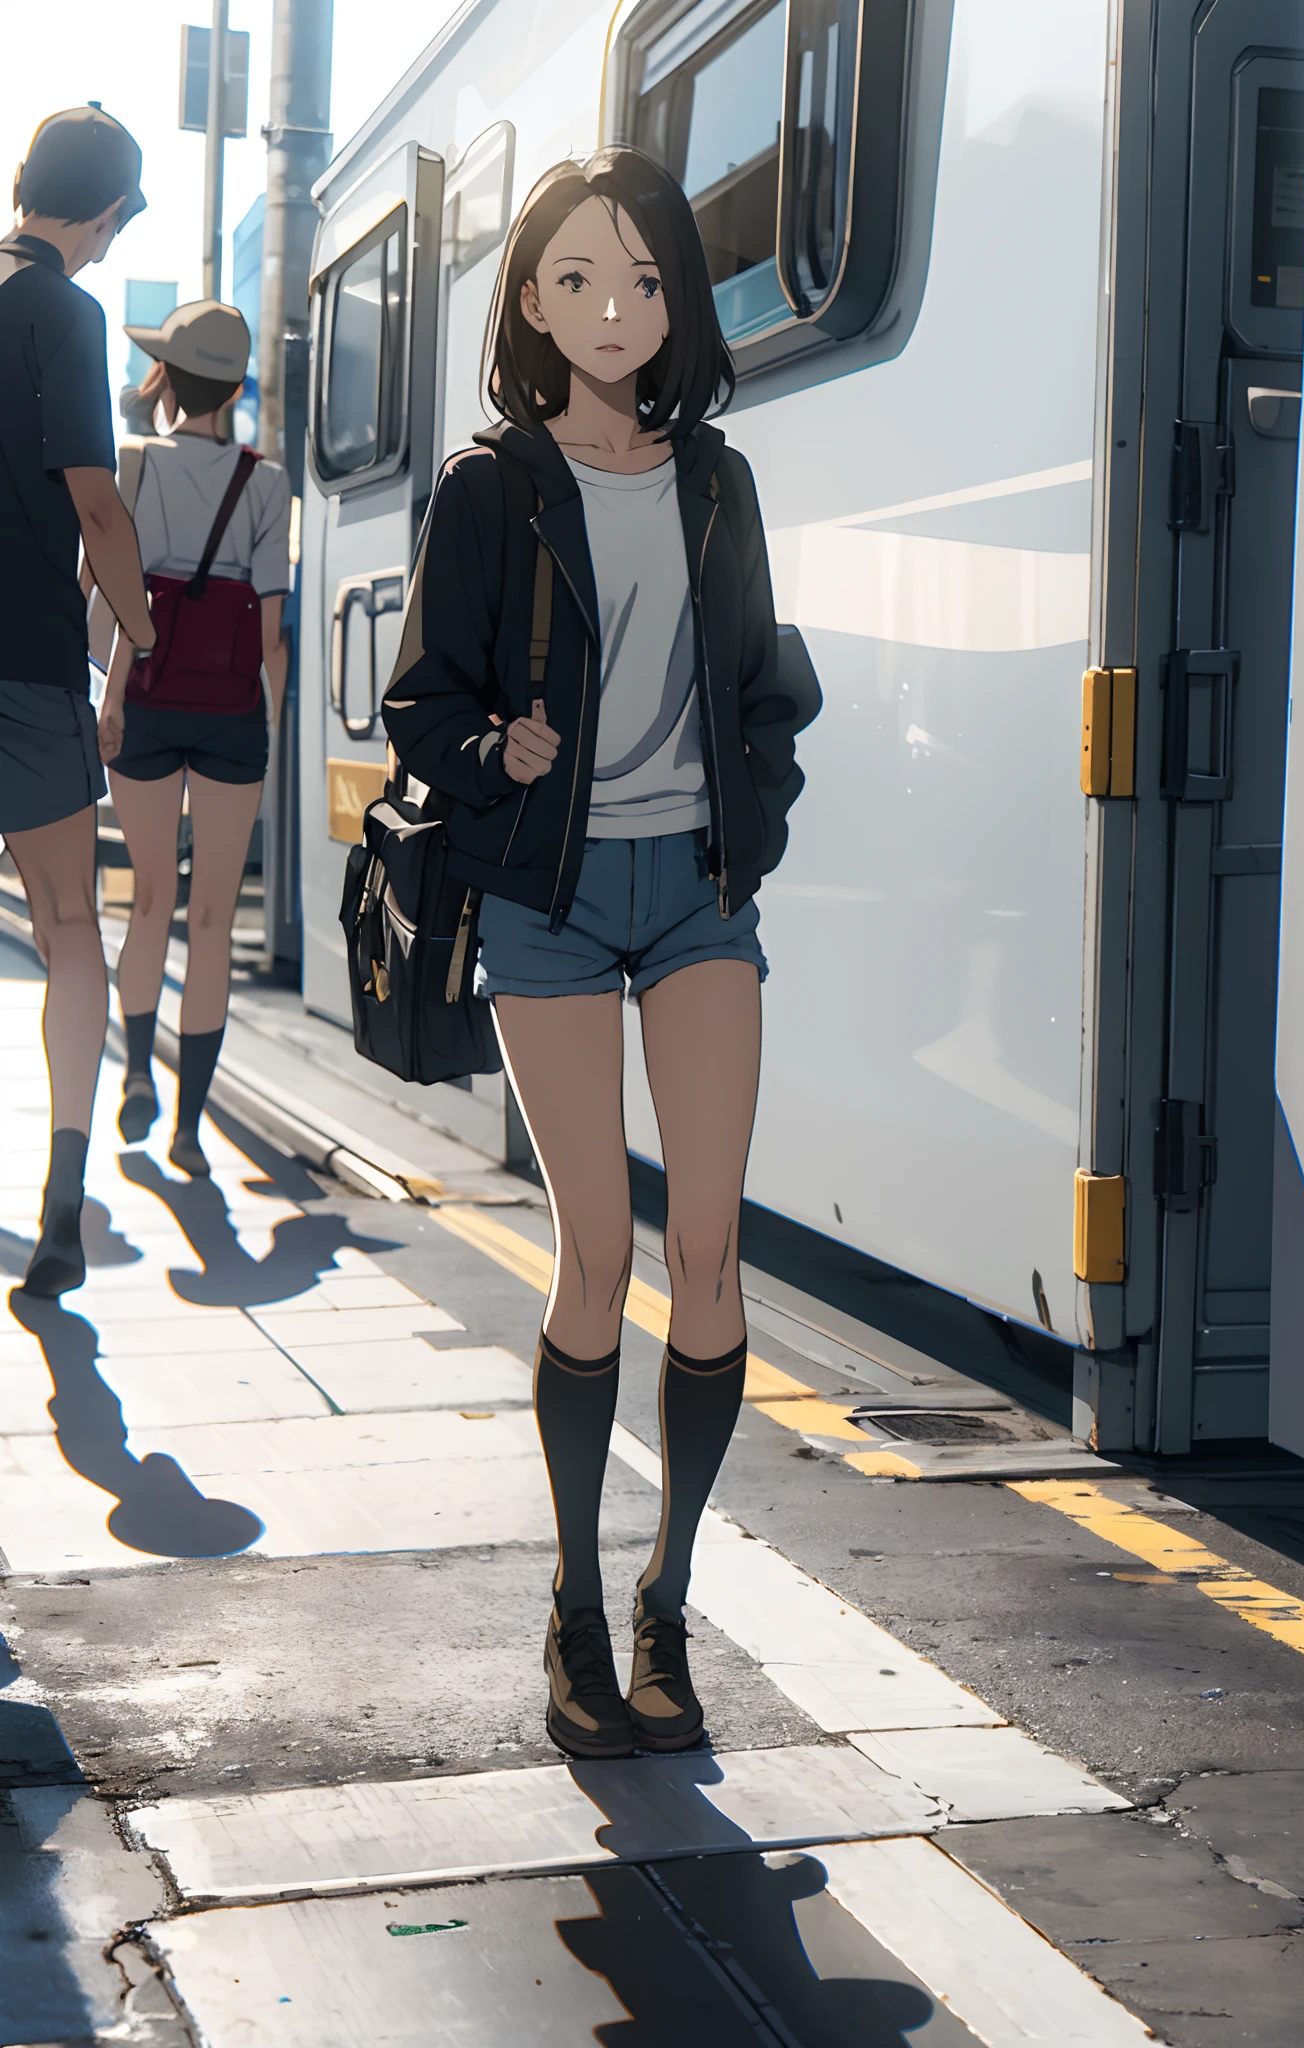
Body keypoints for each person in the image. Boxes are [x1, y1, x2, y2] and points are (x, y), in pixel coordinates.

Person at [383, 149, 814, 1759]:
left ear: (677, 303)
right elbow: (417, 701)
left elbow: (765, 687)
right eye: (576, 279)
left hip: (696, 898)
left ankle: (664, 1607)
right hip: (551, 905)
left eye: (640, 281)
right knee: (596, 1255)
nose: (612, 308)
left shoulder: (717, 481)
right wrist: (499, 746)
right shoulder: (488, 488)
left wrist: (747, 827)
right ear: (532, 300)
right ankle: (572, 1601)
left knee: (709, 1251)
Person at [0, 106, 153, 1297]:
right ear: (102, 216)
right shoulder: (65, 311)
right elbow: (95, 502)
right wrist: (139, 631)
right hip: (28, 663)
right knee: (67, 925)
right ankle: (62, 1193)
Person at [94, 301, 290, 1175]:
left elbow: (107, 601)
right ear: (237, 388)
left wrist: (110, 698)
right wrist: (269, 726)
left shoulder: (133, 465)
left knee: (149, 900)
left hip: (145, 694)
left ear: (167, 377)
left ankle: (135, 1072)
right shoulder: (269, 483)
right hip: (229, 714)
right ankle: (186, 1129)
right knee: (211, 918)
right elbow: (274, 631)